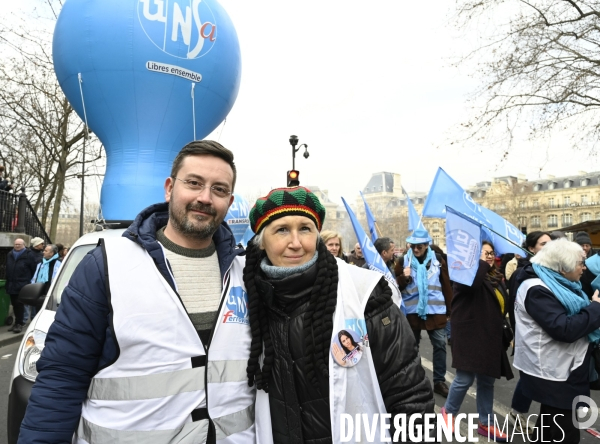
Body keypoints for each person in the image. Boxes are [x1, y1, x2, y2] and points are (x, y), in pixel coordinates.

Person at [19, 141, 258, 443]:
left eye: (219, 189)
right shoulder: (105, 265)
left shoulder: (246, 273)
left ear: (230, 199)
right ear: (169, 188)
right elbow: (62, 377)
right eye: (194, 183)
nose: (204, 197)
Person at [242, 186, 434, 442]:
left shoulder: (366, 293)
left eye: (305, 229)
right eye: (282, 230)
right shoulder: (250, 298)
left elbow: (409, 394)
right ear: (261, 243)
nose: (296, 243)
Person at [512, 238, 600, 443]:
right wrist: (596, 308)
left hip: (562, 368)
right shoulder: (537, 288)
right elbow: (564, 329)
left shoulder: (560, 282)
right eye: (580, 263)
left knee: (548, 422)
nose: (584, 268)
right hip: (552, 371)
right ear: (561, 267)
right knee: (566, 432)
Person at [441, 241, 514, 441]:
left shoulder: (495, 277)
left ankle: (486, 423)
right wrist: (480, 263)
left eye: (491, 253)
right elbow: (471, 287)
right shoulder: (464, 274)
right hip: (469, 335)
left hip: (491, 336)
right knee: (464, 378)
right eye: (484, 254)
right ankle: (448, 413)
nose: (489, 257)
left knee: (487, 381)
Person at [396, 227, 453, 397]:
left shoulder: (438, 260)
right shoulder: (402, 261)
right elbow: (395, 287)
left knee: (440, 346)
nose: (415, 249)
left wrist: (450, 310)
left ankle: (439, 381)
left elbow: (446, 285)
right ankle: (413, 380)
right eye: (413, 245)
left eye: (419, 246)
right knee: (412, 348)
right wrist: (403, 277)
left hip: (435, 311)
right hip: (412, 313)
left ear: (427, 244)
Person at [504, 231, 551, 434]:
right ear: (531, 248)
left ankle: (525, 413)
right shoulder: (522, 273)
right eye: (543, 243)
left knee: (539, 377)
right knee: (532, 376)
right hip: (532, 335)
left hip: (547, 335)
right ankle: (519, 412)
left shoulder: (551, 270)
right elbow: (515, 308)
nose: (549, 246)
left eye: (551, 243)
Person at [5, 238, 38, 334]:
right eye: (15, 244)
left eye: (19, 244)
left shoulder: (29, 255)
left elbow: (33, 269)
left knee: (20, 305)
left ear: (24, 245)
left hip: (22, 284)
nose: (17, 246)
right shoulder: (10, 254)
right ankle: (16, 323)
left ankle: (19, 323)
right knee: (14, 304)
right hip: (11, 284)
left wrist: (28, 281)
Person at [29, 244, 62, 319]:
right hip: (39, 292)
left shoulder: (59, 263)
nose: (43, 252)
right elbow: (35, 277)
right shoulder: (41, 263)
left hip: (52, 293)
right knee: (38, 312)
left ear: (52, 253)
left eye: (46, 251)